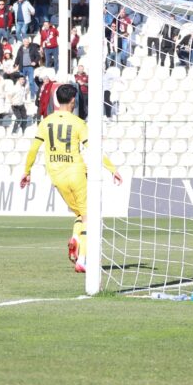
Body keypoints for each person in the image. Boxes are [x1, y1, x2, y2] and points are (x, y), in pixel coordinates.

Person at [20, 84, 122, 273]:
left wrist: (27, 171)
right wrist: (111, 168)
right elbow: (93, 149)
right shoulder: (78, 123)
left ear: (57, 101)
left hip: (56, 177)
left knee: (80, 215)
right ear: (73, 101)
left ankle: (75, 238)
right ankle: (83, 259)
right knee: (90, 219)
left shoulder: (45, 122)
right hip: (76, 174)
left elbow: (33, 149)